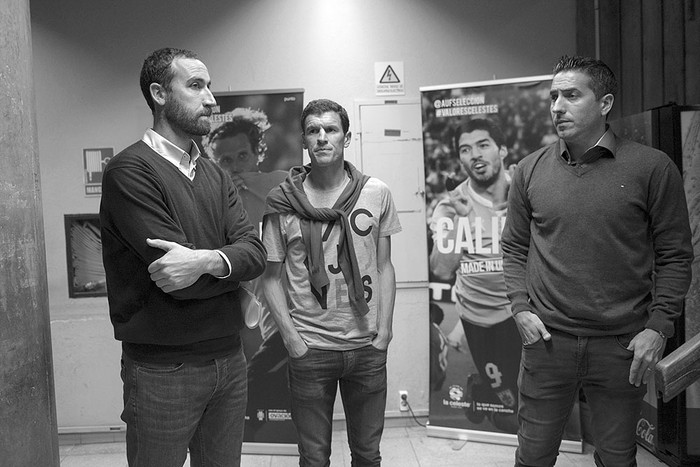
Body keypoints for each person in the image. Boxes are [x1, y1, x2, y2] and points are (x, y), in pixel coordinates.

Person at [501, 55, 694, 466]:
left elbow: (676, 256)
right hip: (547, 342)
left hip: (622, 345)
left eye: (571, 95)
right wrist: (519, 306)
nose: (557, 106)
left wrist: (659, 328)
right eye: (553, 96)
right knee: (532, 455)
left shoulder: (652, 168)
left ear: (604, 103)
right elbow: (514, 247)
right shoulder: (529, 170)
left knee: (617, 457)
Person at [99, 47, 266, 467]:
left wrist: (205, 261)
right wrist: (229, 262)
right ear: (158, 93)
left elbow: (256, 253)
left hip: (229, 361)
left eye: (209, 86)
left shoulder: (213, 172)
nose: (211, 98)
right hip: (163, 370)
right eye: (196, 85)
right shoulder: (130, 171)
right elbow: (174, 278)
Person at [261, 98, 401, 466]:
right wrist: (293, 340)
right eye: (313, 131)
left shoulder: (377, 193)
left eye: (331, 129)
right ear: (304, 141)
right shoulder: (282, 203)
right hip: (311, 349)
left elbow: (385, 266)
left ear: (347, 138)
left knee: (368, 456)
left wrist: (384, 332)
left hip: (367, 346)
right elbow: (270, 278)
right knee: (314, 458)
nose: (322, 137)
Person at [203, 108, 290, 439]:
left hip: (294, 317)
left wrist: (250, 189)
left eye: (243, 155)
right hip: (246, 322)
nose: (236, 165)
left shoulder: (280, 184)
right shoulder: (211, 202)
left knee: (258, 397)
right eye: (225, 160)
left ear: (258, 154)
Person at [429, 118, 520, 432]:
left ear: (502, 150)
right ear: (460, 159)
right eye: (465, 150)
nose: (475, 155)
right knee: (509, 413)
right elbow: (441, 269)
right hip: (480, 318)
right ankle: (481, 388)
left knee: (536, 399)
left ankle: (491, 387)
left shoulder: (526, 190)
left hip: (526, 311)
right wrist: (461, 221)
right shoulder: (450, 206)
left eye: (483, 145)